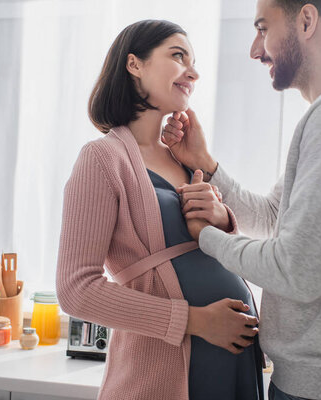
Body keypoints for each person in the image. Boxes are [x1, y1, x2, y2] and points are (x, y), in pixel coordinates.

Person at [162, 1, 321, 399]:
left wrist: (207, 238)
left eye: (263, 28)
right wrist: (206, 165)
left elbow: (297, 271)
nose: (254, 49)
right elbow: (272, 217)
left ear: (306, 20)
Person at [56, 20, 264, 400]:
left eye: (194, 61)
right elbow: (76, 290)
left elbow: (216, 250)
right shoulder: (101, 159)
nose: (194, 71)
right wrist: (197, 321)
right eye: (178, 55)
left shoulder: (183, 160)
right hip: (166, 368)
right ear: (134, 64)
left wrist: (222, 220)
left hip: (231, 363)